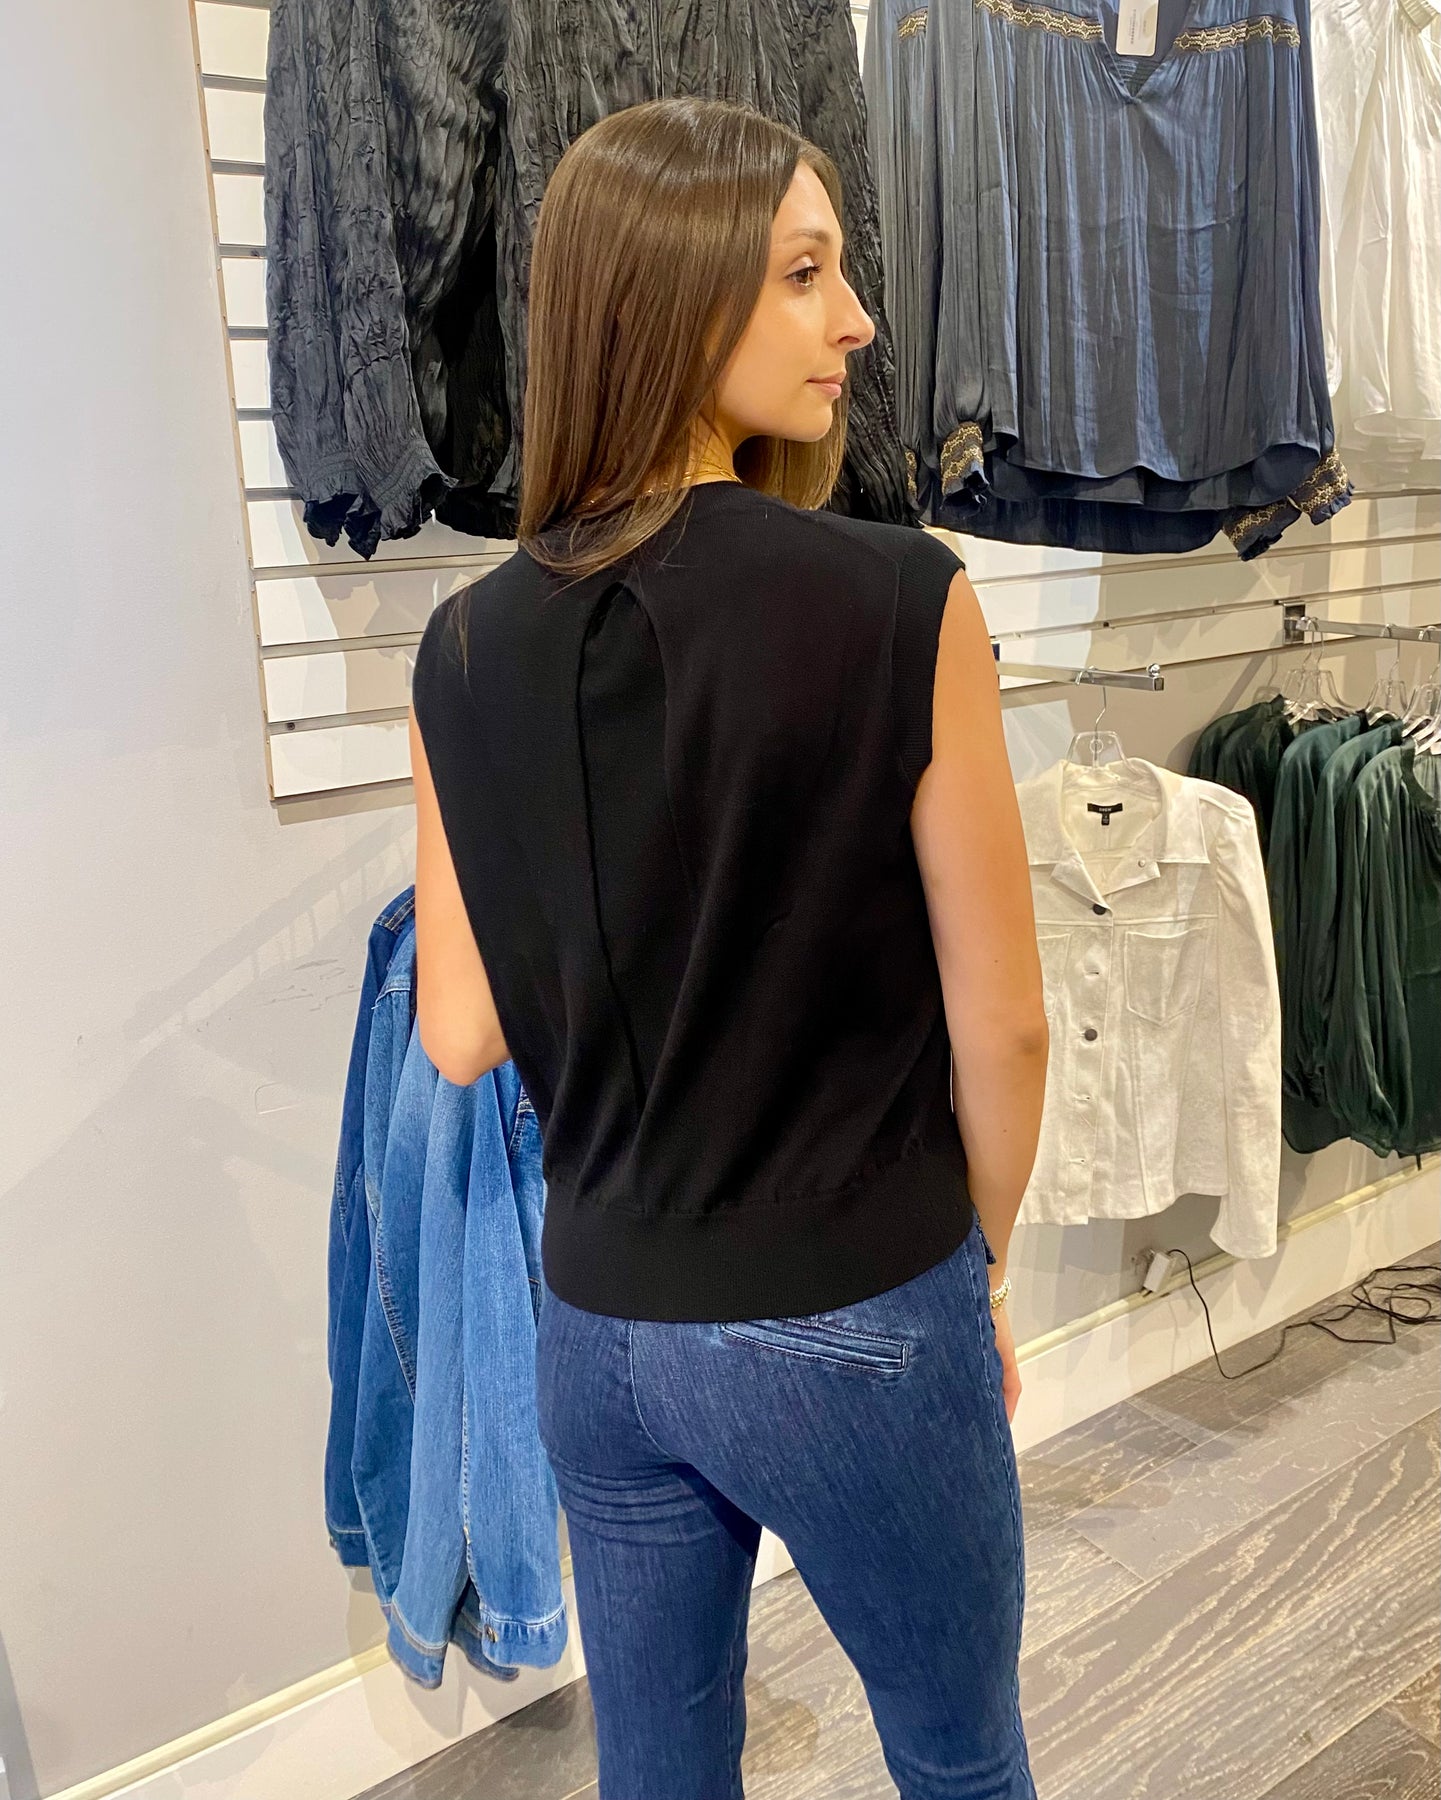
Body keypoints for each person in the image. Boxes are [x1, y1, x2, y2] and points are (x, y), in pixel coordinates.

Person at [408, 95, 1048, 1800]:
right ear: (677, 296)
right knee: (959, 1759)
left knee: (661, 1775)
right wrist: (971, 1271)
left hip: (598, 1326)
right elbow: (1006, 1028)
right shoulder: (902, 599)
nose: (858, 321)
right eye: (805, 273)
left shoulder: (461, 647)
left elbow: (460, 1028)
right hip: (849, 1302)